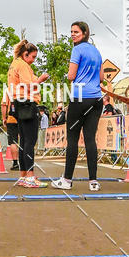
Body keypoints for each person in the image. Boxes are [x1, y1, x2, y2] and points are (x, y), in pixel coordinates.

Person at [52, 21, 104, 192]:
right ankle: (93, 181)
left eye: (76, 32)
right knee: (90, 139)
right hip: (96, 99)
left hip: (80, 96)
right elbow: (101, 77)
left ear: (84, 33)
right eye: (71, 31)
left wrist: (68, 74)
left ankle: (67, 179)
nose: (73, 34)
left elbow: (71, 75)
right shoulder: (96, 51)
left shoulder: (77, 50)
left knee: (72, 139)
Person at [7, 40, 49, 189]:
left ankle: (24, 175)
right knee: (30, 142)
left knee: (24, 141)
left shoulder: (14, 64)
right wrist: (41, 80)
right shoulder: (23, 66)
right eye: (33, 57)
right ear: (25, 54)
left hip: (18, 103)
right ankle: (30, 177)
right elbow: (28, 86)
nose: (33, 60)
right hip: (27, 103)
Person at [1, 86, 19, 170]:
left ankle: (15, 163)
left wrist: (4, 118)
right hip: (26, 118)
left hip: (12, 119)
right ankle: (27, 163)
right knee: (26, 140)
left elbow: (4, 105)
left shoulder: (8, 90)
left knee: (13, 141)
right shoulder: (26, 87)